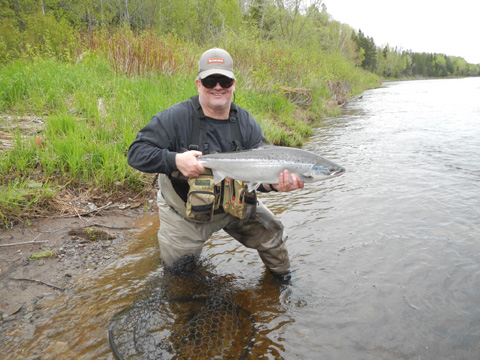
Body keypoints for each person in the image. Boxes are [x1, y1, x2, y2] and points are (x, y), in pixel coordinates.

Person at [127, 47, 304, 280]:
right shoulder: (174, 118)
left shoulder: (246, 123)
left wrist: (273, 185)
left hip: (235, 205)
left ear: (234, 84)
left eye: (224, 80)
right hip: (184, 213)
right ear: (198, 83)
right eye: (211, 80)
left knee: (273, 236)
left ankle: (282, 285)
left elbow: (257, 177)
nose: (218, 87)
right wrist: (175, 160)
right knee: (179, 272)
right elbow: (136, 153)